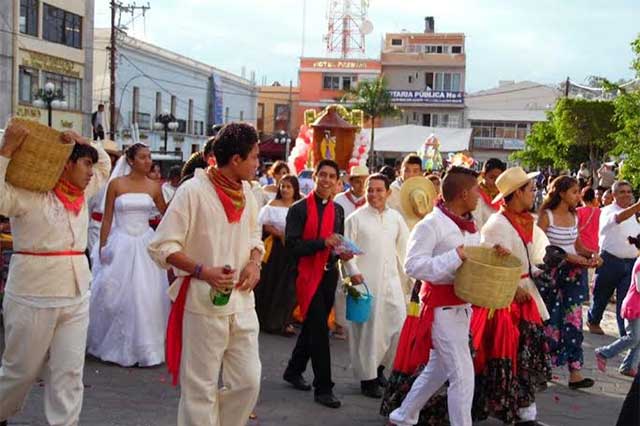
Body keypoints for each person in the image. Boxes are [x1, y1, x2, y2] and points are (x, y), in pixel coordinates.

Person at [148, 123, 264, 426]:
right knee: (199, 389)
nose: (257, 163)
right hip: (203, 304)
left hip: (242, 304)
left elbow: (254, 235)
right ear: (235, 160)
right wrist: (203, 271)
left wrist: (254, 262)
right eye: (253, 157)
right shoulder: (193, 191)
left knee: (248, 382)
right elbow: (161, 246)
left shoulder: (249, 194)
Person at [0, 122, 110, 426]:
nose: (91, 171)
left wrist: (83, 141)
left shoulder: (83, 193)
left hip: (75, 295)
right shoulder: (29, 195)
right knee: (19, 372)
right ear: (67, 164)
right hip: (32, 294)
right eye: (84, 163)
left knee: (69, 373)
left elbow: (105, 163)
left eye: (90, 163)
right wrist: (7, 151)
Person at [388, 166, 481, 426]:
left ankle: (403, 415)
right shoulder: (431, 224)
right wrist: (455, 257)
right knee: (462, 376)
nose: (479, 196)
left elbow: (473, 257)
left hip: (461, 307)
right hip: (441, 308)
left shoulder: (469, 225)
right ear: (463, 194)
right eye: (476, 190)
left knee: (438, 369)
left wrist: (491, 254)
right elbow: (413, 266)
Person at [473, 166, 552, 424]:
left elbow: (536, 256)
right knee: (506, 356)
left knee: (524, 356)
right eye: (530, 189)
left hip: (525, 295)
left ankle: (525, 412)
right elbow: (491, 264)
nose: (534, 193)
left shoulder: (526, 221)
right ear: (517, 193)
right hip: (506, 302)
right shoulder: (497, 224)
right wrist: (512, 287)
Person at [87, 143, 170, 367]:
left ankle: (145, 347)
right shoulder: (116, 184)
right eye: (143, 157)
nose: (148, 161)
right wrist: (103, 246)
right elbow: (107, 218)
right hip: (121, 241)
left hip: (145, 242)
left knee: (146, 294)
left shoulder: (154, 186)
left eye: (149, 157)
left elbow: (167, 216)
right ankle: (115, 345)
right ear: (131, 160)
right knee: (116, 293)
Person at [282, 159, 351, 409]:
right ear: (315, 177)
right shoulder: (299, 209)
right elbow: (292, 247)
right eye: (323, 175)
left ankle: (293, 369)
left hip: (328, 275)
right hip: (305, 276)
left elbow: (337, 243)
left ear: (336, 182)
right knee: (321, 332)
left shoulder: (339, 211)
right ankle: (324, 388)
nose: (326, 180)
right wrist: (323, 243)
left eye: (332, 176)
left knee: (316, 325)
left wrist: (342, 252)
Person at [343, 173, 409, 398]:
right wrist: (354, 273)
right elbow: (345, 252)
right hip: (365, 284)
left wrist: (413, 275)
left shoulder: (396, 219)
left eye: (379, 190)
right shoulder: (355, 218)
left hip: (391, 283)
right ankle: (367, 378)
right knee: (369, 333)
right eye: (370, 190)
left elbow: (405, 249)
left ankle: (380, 369)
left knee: (398, 327)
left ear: (389, 193)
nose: (374, 194)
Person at [537, 176, 597, 388]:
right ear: (561, 193)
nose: (578, 196)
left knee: (574, 321)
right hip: (552, 277)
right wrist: (569, 258)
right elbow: (540, 247)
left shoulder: (574, 216)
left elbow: (578, 245)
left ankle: (575, 372)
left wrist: (592, 255)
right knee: (549, 323)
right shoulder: (547, 216)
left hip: (573, 277)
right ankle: (542, 369)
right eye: (574, 192)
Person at [588, 181, 640, 340]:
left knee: (625, 300)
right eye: (622, 192)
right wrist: (637, 207)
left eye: (629, 192)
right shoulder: (607, 211)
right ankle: (594, 320)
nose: (627, 195)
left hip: (630, 263)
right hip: (610, 261)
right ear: (614, 195)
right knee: (601, 296)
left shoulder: (635, 215)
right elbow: (618, 218)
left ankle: (625, 334)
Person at [254, 175, 301, 336]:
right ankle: (265, 320)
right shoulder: (272, 205)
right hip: (275, 250)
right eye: (283, 186)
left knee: (288, 288)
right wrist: (280, 234)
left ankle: (284, 321)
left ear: (295, 189)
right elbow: (264, 225)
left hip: (293, 250)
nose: (285, 190)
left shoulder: (300, 206)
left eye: (289, 187)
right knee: (271, 282)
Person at [595, 235, 640, 378]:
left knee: (638, 338)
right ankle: (604, 352)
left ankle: (628, 366)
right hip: (634, 306)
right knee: (633, 337)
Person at [333, 165, 369, 338]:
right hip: (344, 250)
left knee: (363, 285)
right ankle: (340, 324)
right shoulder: (340, 200)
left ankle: (361, 320)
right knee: (342, 286)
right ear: (351, 182)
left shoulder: (370, 201)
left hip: (365, 251)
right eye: (357, 180)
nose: (360, 184)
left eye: (363, 181)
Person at [388, 154, 423, 222]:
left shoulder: (425, 189)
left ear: (421, 173)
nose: (411, 174)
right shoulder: (392, 191)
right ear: (401, 171)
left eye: (415, 171)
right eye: (407, 171)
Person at [473, 158, 506, 230]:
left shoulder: (503, 196)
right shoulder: (475, 196)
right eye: (491, 177)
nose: (495, 182)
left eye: (498, 179)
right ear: (483, 175)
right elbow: (477, 225)